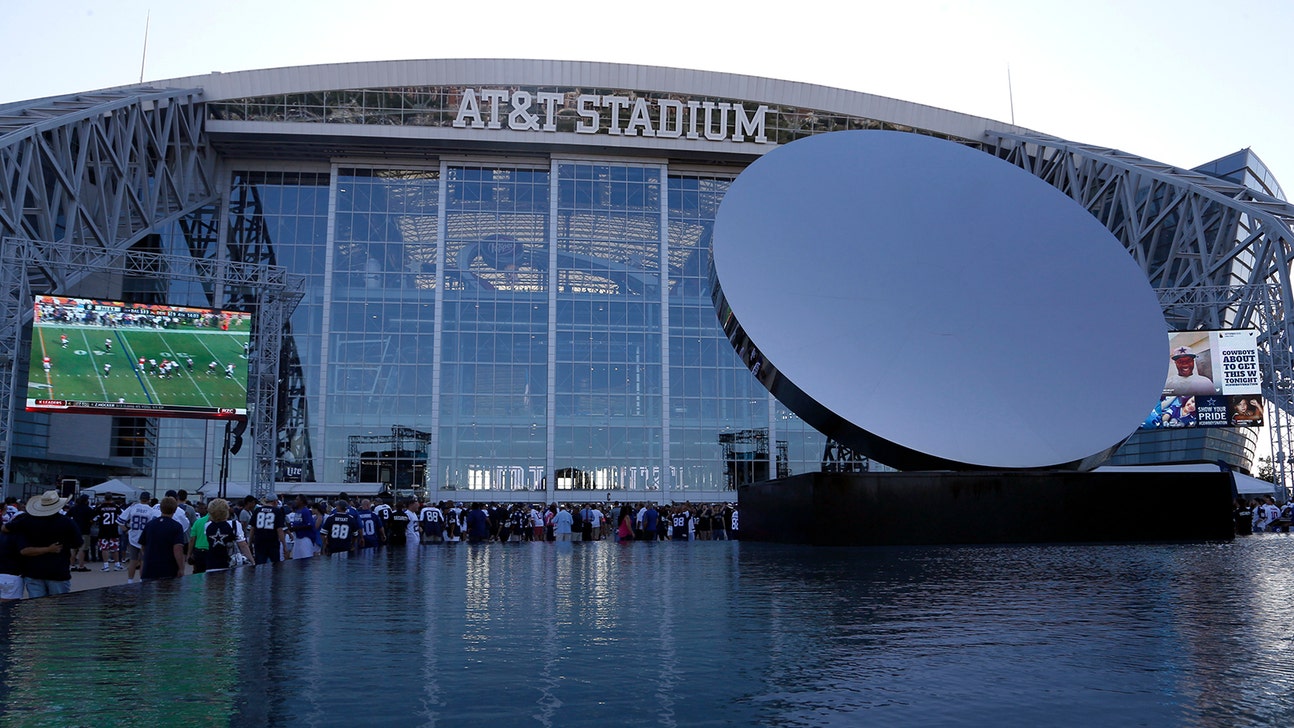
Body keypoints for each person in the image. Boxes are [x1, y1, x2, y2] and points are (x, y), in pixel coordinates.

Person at [3, 490, 83, 597]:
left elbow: (5, 528)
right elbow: (77, 542)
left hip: (33, 570)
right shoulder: (66, 522)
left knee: (37, 609)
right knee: (58, 607)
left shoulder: (27, 520)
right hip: (57, 570)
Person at [139, 496, 187, 580]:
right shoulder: (177, 526)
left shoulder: (150, 525)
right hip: (168, 569)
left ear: (160, 508)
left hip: (149, 568)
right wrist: (181, 568)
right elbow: (178, 549)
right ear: (175, 510)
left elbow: (143, 546)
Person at [203, 499, 253, 570]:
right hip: (231, 563)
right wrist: (252, 561)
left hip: (212, 562)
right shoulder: (234, 524)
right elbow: (243, 545)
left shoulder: (207, 526)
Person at [118, 491, 155, 583]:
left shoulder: (133, 507)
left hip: (133, 537)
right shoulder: (151, 510)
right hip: (145, 538)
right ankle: (142, 580)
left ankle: (130, 580)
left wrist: (126, 531)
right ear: (149, 499)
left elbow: (119, 521)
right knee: (143, 561)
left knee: (133, 560)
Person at [250, 494, 289, 564]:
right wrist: (284, 545)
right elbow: (279, 530)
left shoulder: (257, 510)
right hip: (272, 542)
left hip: (259, 541)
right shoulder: (277, 511)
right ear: (275, 501)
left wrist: (249, 542)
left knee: (259, 564)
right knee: (275, 566)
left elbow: (252, 528)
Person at [94, 494, 123, 571]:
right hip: (113, 530)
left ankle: (106, 565)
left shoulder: (100, 507)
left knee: (104, 548)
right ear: (111, 499)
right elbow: (122, 517)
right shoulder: (116, 507)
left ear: (104, 498)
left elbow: (94, 518)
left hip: (103, 530)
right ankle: (117, 564)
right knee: (115, 548)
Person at [68, 495, 94, 571]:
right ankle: (81, 565)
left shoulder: (73, 508)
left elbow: (67, 516)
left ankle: (72, 565)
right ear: (86, 501)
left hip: (74, 530)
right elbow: (92, 519)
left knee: (73, 549)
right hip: (85, 530)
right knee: (82, 549)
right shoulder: (88, 509)